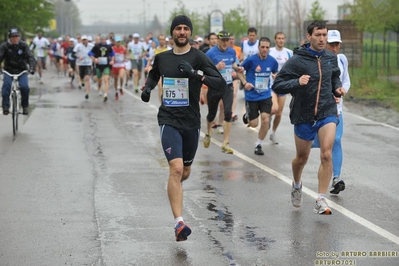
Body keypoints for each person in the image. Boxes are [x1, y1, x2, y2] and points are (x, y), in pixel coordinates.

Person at [140, 15, 226, 241]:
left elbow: (220, 83)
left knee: (184, 172)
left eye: (185, 28)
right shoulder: (162, 58)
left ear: (189, 33)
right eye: (178, 28)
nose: (181, 32)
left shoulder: (199, 57)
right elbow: (153, 75)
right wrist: (148, 89)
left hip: (191, 122)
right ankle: (179, 223)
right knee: (176, 169)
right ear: (172, 33)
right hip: (168, 119)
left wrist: (195, 74)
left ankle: (173, 186)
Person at [272, 21, 346, 215]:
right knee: (301, 159)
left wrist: (336, 88)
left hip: (327, 112)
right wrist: (297, 81)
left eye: (324, 35)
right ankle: (297, 184)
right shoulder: (298, 60)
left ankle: (321, 199)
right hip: (304, 115)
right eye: (318, 35)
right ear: (309, 37)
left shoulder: (331, 57)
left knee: (326, 153)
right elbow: (278, 85)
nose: (322, 39)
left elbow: (334, 77)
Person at [312, 30, 350, 195]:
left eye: (337, 44)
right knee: (311, 146)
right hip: (318, 110)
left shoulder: (342, 59)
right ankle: (297, 178)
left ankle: (336, 178)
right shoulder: (316, 60)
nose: (334, 47)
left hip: (336, 110)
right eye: (331, 44)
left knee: (336, 140)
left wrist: (342, 90)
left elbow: (346, 80)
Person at [204, 30, 244, 154]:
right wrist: (216, 68)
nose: (226, 43)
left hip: (227, 86)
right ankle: (208, 132)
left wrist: (238, 68)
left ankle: (225, 142)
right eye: (223, 40)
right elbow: (205, 70)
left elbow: (234, 64)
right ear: (218, 40)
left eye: (227, 40)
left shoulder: (232, 51)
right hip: (215, 87)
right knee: (212, 114)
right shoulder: (210, 53)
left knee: (228, 113)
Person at [237, 37, 278, 155]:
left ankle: (258, 145)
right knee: (254, 124)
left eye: (267, 47)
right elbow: (239, 71)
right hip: (252, 96)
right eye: (262, 47)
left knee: (265, 120)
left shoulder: (272, 61)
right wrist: (245, 83)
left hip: (265, 95)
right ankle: (248, 115)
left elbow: (276, 72)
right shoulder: (251, 60)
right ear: (258, 48)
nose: (265, 49)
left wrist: (276, 76)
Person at [0, 28, 36, 115]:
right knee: (6, 87)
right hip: (8, 70)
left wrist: (31, 67)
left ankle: (25, 106)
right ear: (10, 38)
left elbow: (30, 56)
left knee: (24, 87)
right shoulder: (5, 46)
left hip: (21, 70)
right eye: (13, 37)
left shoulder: (23, 45)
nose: (15, 38)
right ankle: (5, 106)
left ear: (19, 37)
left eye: (16, 36)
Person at [269, 32, 293, 144]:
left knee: (279, 113)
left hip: (283, 85)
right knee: (274, 108)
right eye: (279, 38)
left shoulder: (289, 53)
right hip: (271, 85)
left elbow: (294, 68)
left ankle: (273, 133)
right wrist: (272, 74)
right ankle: (267, 116)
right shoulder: (270, 52)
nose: (281, 40)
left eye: (283, 38)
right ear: (275, 40)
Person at [89, 35, 115, 102]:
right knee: (99, 80)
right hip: (98, 66)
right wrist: (94, 59)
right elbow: (90, 53)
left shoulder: (108, 46)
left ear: (106, 40)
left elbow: (113, 54)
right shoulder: (96, 46)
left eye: (104, 39)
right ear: (100, 40)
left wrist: (112, 60)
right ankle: (99, 88)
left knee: (106, 79)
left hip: (106, 65)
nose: (103, 40)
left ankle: (105, 94)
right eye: (102, 39)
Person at [73, 35, 94, 99]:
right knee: (81, 77)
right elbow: (73, 54)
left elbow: (96, 51)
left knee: (87, 78)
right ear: (81, 40)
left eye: (85, 40)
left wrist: (94, 57)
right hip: (81, 64)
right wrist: (78, 57)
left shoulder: (91, 45)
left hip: (88, 64)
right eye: (83, 40)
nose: (84, 41)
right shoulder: (78, 46)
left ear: (87, 40)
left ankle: (87, 93)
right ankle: (82, 81)